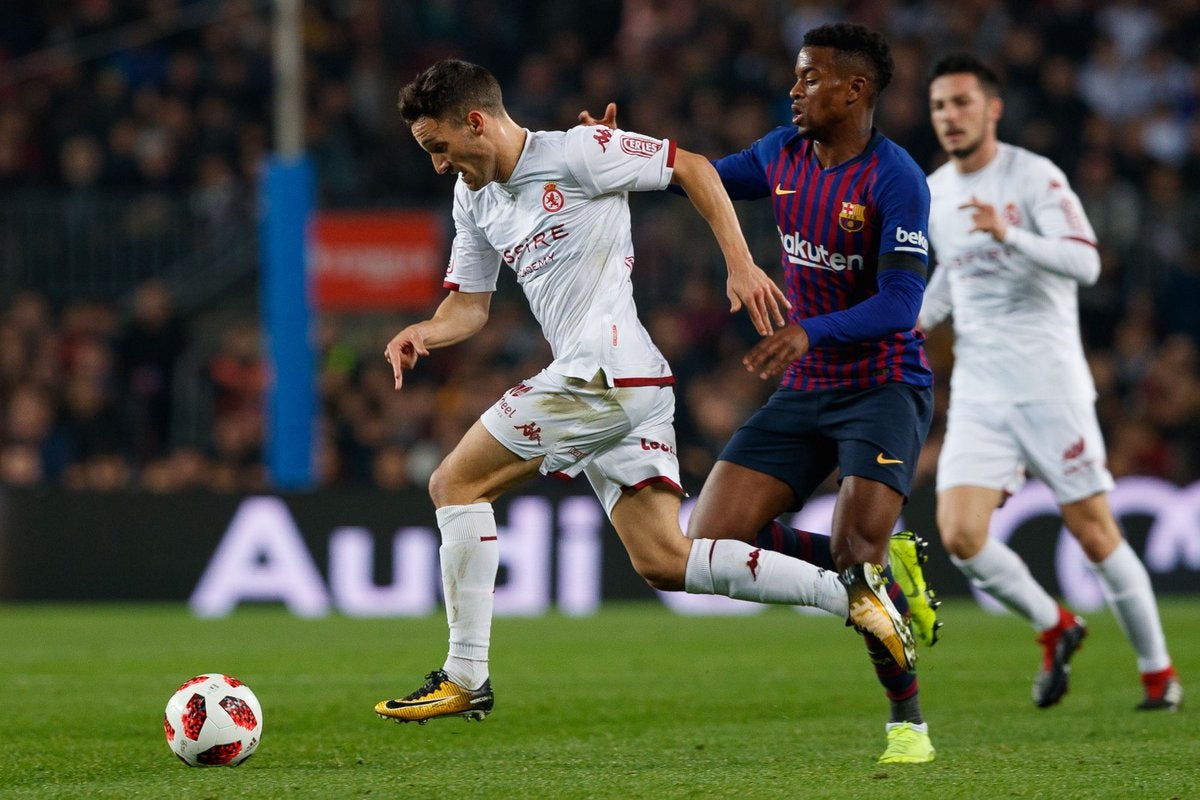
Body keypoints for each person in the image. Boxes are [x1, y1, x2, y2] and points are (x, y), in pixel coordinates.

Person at [373, 59, 918, 731]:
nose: (436, 165)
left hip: (603, 374)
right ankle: (853, 598)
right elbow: (470, 308)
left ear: (476, 122)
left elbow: (693, 168)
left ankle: (465, 676)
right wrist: (424, 333)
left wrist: (741, 264)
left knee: (454, 485)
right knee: (664, 558)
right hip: (629, 383)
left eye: (439, 148)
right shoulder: (473, 196)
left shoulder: (579, 150)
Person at [583, 22, 940, 763]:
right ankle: (884, 565)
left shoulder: (895, 179)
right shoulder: (781, 154)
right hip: (807, 389)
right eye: (796, 76)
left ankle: (908, 724)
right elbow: (698, 173)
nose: (794, 89)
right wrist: (613, 151)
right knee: (709, 542)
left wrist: (812, 331)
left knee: (854, 554)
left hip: (882, 387)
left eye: (810, 78)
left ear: (855, 90)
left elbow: (903, 303)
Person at [921, 52, 1182, 711]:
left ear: (993, 108)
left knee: (1094, 531)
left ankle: (1159, 675)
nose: (950, 117)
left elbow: (1086, 262)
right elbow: (952, 273)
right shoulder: (934, 192)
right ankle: (1055, 624)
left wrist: (1010, 233)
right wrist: (906, 323)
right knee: (959, 534)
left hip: (1048, 386)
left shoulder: (1034, 177)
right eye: (939, 107)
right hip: (980, 392)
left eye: (961, 103)